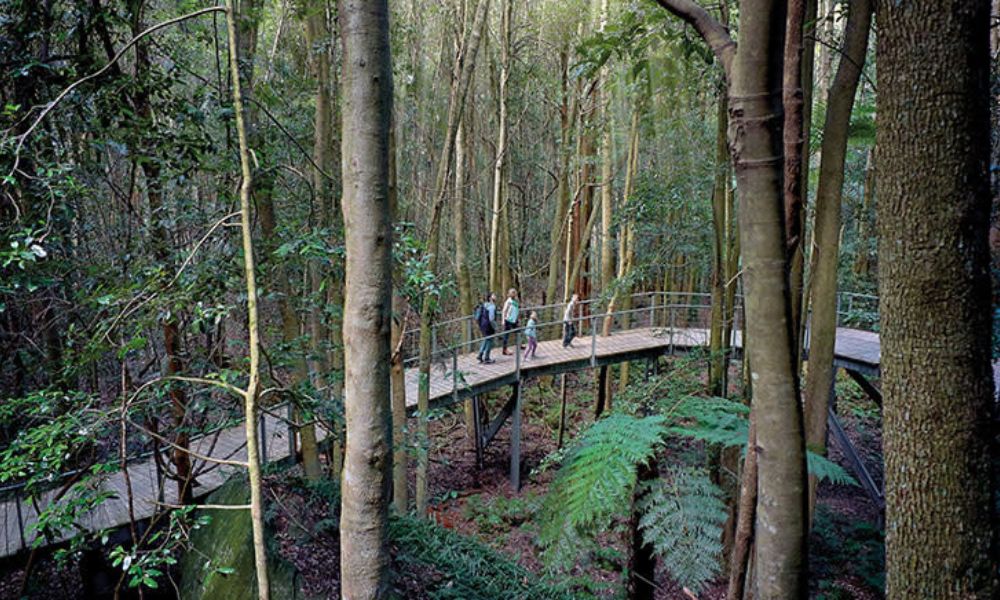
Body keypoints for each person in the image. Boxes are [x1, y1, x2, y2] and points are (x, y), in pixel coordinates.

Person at [476, 292, 497, 363]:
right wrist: (495, 327)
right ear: (490, 298)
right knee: (490, 341)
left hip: (483, 324)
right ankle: (487, 358)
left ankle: (480, 354)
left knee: (486, 339)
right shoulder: (492, 306)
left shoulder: (485, 305)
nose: (495, 296)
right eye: (494, 295)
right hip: (488, 325)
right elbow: (491, 319)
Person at [501, 288, 520, 355]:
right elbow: (504, 311)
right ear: (510, 294)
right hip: (508, 320)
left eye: (514, 292)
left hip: (514, 320)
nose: (514, 294)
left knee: (518, 332)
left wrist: (517, 318)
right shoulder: (508, 302)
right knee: (506, 335)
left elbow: (517, 310)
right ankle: (504, 350)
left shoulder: (516, 301)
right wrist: (503, 320)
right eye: (512, 293)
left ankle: (519, 344)